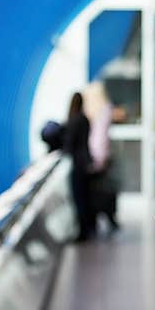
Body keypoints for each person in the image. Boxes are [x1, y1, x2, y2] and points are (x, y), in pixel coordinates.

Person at [62, 91, 95, 242]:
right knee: (87, 197)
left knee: (79, 198)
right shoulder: (85, 119)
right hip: (87, 161)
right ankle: (89, 227)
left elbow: (69, 144)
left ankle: (82, 231)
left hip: (78, 164)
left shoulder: (74, 120)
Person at [87, 100, 121, 235]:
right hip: (100, 160)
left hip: (96, 161)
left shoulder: (98, 113)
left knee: (100, 192)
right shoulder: (103, 113)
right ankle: (109, 218)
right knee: (103, 192)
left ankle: (104, 219)